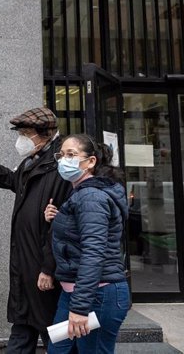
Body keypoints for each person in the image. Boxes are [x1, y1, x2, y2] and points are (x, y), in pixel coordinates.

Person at [0, 107, 73, 354]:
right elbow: (15, 182)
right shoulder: (33, 161)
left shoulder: (59, 168)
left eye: (26, 133)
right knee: (23, 327)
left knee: (53, 332)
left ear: (45, 134)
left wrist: (48, 269)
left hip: (43, 269)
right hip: (25, 265)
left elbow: (59, 228)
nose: (22, 140)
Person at [44, 134, 130, 354]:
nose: (64, 160)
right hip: (74, 294)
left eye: (71, 155)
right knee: (57, 349)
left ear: (91, 161)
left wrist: (80, 308)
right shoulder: (80, 193)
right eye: (61, 155)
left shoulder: (91, 196)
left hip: (97, 296)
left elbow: (93, 252)